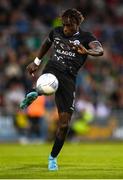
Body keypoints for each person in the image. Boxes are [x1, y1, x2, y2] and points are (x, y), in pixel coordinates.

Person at [20, 8, 103, 171]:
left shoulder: (86, 38)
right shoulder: (56, 32)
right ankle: (36, 92)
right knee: (48, 79)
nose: (65, 28)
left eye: (69, 25)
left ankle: (52, 158)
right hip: (53, 68)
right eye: (64, 25)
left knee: (64, 125)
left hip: (69, 78)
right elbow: (46, 43)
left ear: (77, 24)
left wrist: (87, 51)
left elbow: (100, 50)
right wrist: (36, 62)